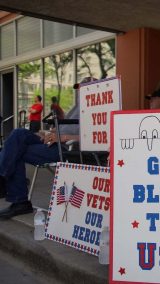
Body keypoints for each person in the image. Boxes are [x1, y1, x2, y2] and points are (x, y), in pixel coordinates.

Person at [0, 78, 95, 219]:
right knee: (18, 134)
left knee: (16, 151)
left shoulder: (98, 111)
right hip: (52, 142)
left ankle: (17, 198)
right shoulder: (76, 108)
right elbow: (61, 128)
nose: (80, 91)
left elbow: (95, 138)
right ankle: (4, 181)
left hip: (66, 149)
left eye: (84, 88)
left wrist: (62, 137)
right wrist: (47, 134)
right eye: (79, 88)